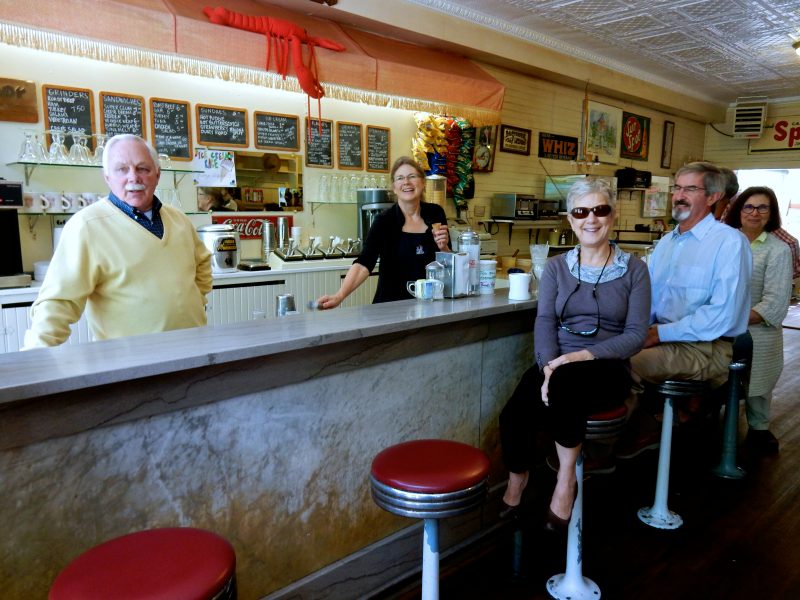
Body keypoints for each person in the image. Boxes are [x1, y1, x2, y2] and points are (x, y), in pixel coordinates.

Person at [498, 178, 650, 528]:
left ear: (612, 216)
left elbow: (636, 336)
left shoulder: (635, 270)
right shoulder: (555, 267)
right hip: (557, 362)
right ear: (570, 219)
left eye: (600, 210)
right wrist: (550, 365)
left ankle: (566, 480)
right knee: (514, 413)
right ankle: (518, 477)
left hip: (606, 367)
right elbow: (545, 320)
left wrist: (581, 356)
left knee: (565, 387)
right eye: (581, 211)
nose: (591, 219)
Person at [23, 134, 212, 348]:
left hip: (193, 349)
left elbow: (202, 263)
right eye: (122, 169)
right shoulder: (87, 226)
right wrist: (35, 356)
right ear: (107, 177)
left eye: (143, 168)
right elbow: (58, 303)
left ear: (157, 174)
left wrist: (195, 302)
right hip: (128, 365)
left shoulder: (179, 220)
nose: (134, 177)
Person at [618, 162, 752, 457]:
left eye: (690, 189)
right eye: (676, 187)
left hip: (706, 347)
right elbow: (650, 300)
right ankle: (637, 428)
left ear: (714, 197)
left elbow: (722, 315)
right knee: (600, 353)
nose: (679, 195)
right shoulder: (667, 243)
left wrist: (657, 334)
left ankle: (600, 449)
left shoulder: (729, 243)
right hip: (665, 339)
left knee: (625, 365)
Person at [316, 156, 450, 307]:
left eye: (412, 176)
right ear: (394, 187)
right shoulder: (384, 221)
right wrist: (339, 296)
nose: (406, 182)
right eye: (400, 178)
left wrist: (444, 248)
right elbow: (363, 264)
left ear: (423, 182)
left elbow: (449, 261)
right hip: (390, 306)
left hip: (430, 305)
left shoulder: (435, 214)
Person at [724, 187, 792, 453]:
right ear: (738, 211)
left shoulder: (778, 250)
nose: (754, 213)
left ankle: (758, 428)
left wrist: (730, 321)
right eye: (748, 207)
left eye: (762, 207)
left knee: (758, 385)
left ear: (771, 213)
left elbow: (774, 304)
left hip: (756, 328)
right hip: (719, 324)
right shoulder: (725, 242)